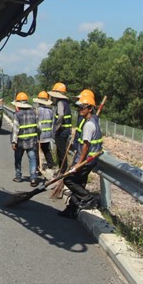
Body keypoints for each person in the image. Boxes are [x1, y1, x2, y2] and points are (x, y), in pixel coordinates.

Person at [59, 90, 104, 219]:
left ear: (90, 108)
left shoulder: (89, 125)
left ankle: (88, 198)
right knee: (79, 183)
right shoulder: (93, 120)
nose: (79, 109)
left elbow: (86, 146)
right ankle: (72, 209)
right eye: (78, 107)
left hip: (87, 160)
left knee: (69, 179)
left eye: (82, 107)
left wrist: (78, 163)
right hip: (90, 159)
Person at [10, 92, 40, 185]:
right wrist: (37, 137)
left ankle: (18, 176)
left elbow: (15, 129)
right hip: (32, 141)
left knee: (18, 159)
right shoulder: (34, 112)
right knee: (33, 159)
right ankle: (33, 179)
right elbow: (39, 127)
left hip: (20, 142)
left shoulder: (17, 114)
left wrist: (13, 142)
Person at [49, 82, 72, 174]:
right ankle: (62, 169)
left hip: (62, 131)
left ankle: (62, 170)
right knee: (62, 151)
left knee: (61, 151)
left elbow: (61, 114)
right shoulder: (66, 102)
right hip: (67, 130)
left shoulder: (60, 102)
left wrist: (57, 127)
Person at [34, 90, 55, 174]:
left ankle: (37, 166)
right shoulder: (50, 111)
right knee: (46, 150)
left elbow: (36, 122)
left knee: (37, 150)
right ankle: (51, 163)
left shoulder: (37, 110)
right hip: (48, 134)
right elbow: (52, 122)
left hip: (40, 134)